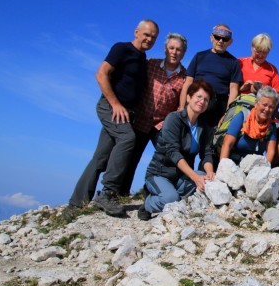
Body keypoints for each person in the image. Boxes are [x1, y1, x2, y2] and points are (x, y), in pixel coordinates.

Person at [67, 19, 159, 217]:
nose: (149, 39)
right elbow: (101, 74)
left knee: (100, 157)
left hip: (125, 112)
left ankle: (76, 204)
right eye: (146, 34)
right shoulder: (122, 49)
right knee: (128, 139)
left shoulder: (143, 60)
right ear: (136, 32)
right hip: (111, 107)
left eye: (153, 37)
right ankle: (108, 192)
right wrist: (116, 104)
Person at [120, 33, 188, 196]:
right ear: (165, 49)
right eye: (171, 48)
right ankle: (120, 193)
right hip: (140, 120)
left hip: (161, 125)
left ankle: (151, 191)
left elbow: (181, 105)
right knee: (130, 157)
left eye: (178, 49)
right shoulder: (150, 64)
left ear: (183, 53)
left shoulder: (185, 77)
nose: (174, 52)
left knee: (166, 158)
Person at [142, 80, 216, 220]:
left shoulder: (204, 127)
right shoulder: (174, 119)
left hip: (181, 177)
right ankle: (147, 203)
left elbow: (206, 154)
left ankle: (172, 196)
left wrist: (210, 172)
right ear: (188, 97)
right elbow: (173, 152)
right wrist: (195, 177)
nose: (202, 101)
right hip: (160, 173)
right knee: (171, 199)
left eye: (206, 99)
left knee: (206, 181)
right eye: (198, 97)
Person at [179, 24, 242, 127]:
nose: (220, 41)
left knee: (210, 141)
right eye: (217, 37)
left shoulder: (234, 62)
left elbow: (233, 89)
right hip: (196, 103)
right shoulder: (199, 56)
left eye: (225, 39)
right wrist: (182, 107)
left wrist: (227, 114)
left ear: (230, 42)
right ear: (212, 38)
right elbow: (188, 82)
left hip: (218, 107)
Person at [219, 86, 278, 165]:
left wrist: (265, 170)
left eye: (271, 107)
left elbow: (270, 152)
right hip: (235, 164)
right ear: (256, 104)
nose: (267, 109)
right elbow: (227, 144)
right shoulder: (242, 117)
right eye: (264, 105)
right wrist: (223, 168)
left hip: (257, 167)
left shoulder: (271, 126)